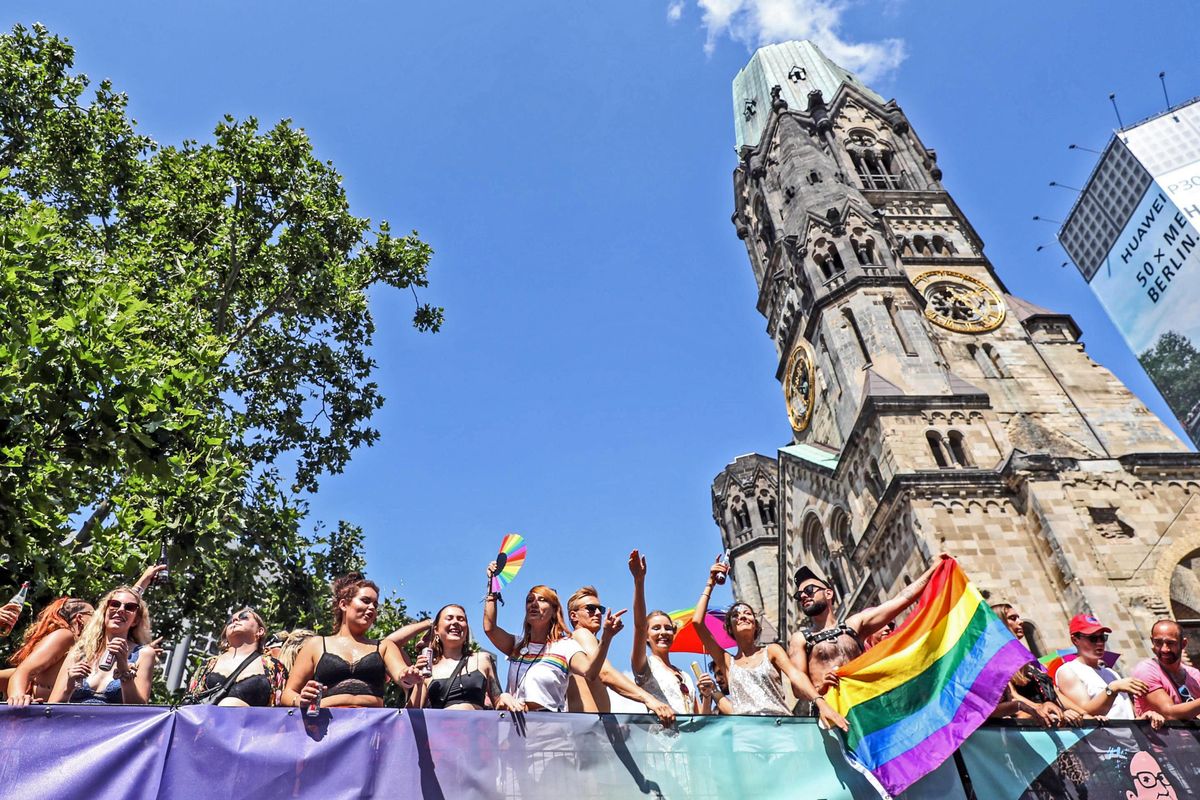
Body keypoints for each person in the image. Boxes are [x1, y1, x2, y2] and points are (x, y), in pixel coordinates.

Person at [787, 555, 950, 728]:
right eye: (799, 595)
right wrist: (820, 687)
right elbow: (797, 688)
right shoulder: (801, 638)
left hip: (867, 707)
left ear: (828, 593)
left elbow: (902, 599)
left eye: (810, 590)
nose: (803, 595)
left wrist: (934, 569)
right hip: (832, 717)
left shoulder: (854, 625)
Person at [693, 556, 829, 723]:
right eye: (735, 615)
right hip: (748, 734)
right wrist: (710, 583)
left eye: (747, 613)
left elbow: (796, 675)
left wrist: (819, 701)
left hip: (780, 726)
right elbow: (697, 622)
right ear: (730, 628)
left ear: (756, 625)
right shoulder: (726, 661)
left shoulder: (771, 650)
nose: (742, 616)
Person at [482, 563, 622, 712]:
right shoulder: (517, 645)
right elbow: (490, 628)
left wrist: (607, 638)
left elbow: (590, 672)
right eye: (530, 600)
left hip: (550, 729)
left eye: (542, 600)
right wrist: (493, 585)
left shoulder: (566, 646)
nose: (534, 604)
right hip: (514, 729)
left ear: (554, 610)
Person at [283, 573, 423, 710]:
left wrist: (408, 676)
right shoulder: (316, 645)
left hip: (373, 727)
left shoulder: (384, 646)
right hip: (327, 727)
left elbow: (401, 673)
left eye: (375, 604)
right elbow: (288, 693)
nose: (372, 608)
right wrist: (299, 699)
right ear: (344, 604)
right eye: (366, 601)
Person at [563, 576, 675, 723]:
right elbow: (606, 674)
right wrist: (649, 699)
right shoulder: (581, 634)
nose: (597, 613)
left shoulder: (591, 641)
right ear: (573, 616)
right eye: (591, 608)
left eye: (600, 609)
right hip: (588, 730)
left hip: (592, 729)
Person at [48, 586, 160, 704]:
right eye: (114, 604)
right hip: (75, 721)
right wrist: (69, 687)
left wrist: (124, 672)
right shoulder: (80, 651)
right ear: (104, 611)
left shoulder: (144, 654)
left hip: (114, 722)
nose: (121, 609)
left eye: (129, 607)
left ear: (135, 620)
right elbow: (51, 706)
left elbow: (139, 712)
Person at [1054, 613, 1164, 728]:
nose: (1100, 643)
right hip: (1104, 744)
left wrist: (1144, 718)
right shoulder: (1068, 671)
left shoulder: (1111, 673)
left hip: (1131, 742)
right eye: (1093, 638)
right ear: (1075, 640)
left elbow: (1127, 715)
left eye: (1102, 637)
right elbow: (1084, 713)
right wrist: (1112, 689)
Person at [626, 550, 699, 719]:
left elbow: (700, 718)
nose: (663, 632)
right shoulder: (645, 666)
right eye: (656, 628)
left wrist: (709, 694)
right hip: (661, 741)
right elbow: (638, 626)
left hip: (690, 743)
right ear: (646, 635)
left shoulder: (685, 675)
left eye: (667, 628)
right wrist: (639, 581)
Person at [989, 602, 1081, 727]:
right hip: (1028, 729)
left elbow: (1055, 693)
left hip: (1051, 724)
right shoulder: (996, 660)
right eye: (1012, 618)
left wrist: (1085, 714)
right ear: (1000, 624)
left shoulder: (1027, 660)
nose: (1020, 621)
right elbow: (1013, 697)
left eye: (1018, 617)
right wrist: (1042, 709)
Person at [186, 607, 287, 707]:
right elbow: (189, 703)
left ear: (260, 631)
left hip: (252, 723)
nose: (234, 620)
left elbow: (281, 709)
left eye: (244, 617)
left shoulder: (273, 667)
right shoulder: (208, 665)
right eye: (230, 620)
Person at [411, 603, 504, 711]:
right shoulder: (428, 669)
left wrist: (505, 697)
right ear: (436, 630)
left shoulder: (483, 660)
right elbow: (410, 716)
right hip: (439, 727)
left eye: (461, 619)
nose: (455, 622)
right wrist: (418, 683)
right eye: (449, 618)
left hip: (476, 727)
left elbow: (499, 704)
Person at [6, 597, 94, 706]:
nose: (98, 618)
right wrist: (18, 696)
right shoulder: (65, 636)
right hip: (43, 717)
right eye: (93, 614)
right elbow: (23, 671)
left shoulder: (79, 647)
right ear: (79, 618)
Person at [1131, 618, 1200, 720]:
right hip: (1156, 735)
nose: (1164, 649)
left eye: (1170, 643)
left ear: (1183, 644)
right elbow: (1169, 714)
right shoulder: (1146, 670)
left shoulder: (1194, 674)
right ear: (1152, 641)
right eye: (1158, 642)